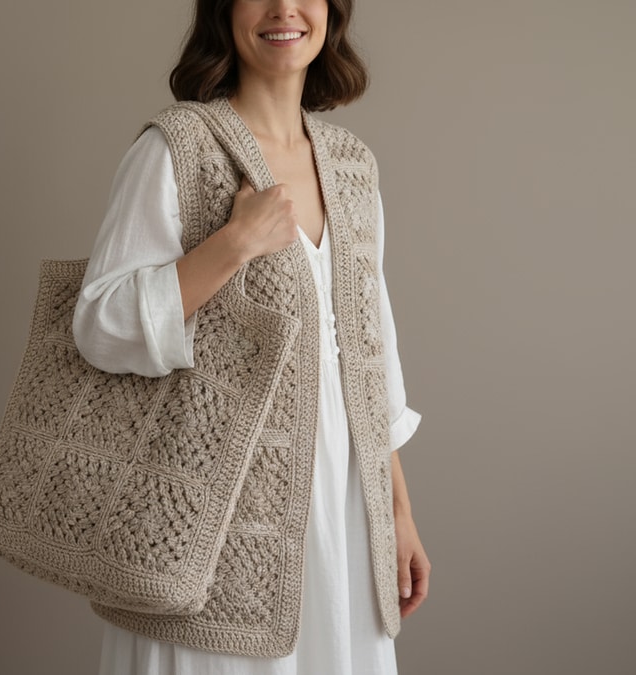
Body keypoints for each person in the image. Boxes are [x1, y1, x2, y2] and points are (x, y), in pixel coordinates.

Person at [72, 0, 430, 673]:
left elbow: (367, 355)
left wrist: (398, 512)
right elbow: (100, 324)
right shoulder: (175, 147)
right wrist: (234, 243)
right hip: (214, 519)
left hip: (345, 510)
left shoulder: (352, 168)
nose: (283, 9)